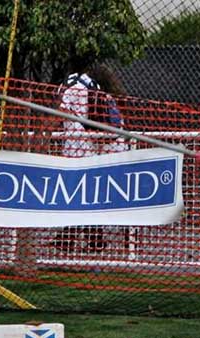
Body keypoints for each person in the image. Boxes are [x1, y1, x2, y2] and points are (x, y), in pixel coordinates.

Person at [57, 64, 129, 253]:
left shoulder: (74, 85)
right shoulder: (96, 92)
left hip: (76, 148)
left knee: (75, 196)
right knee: (89, 196)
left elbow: (63, 110)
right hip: (93, 149)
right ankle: (90, 239)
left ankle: (72, 239)